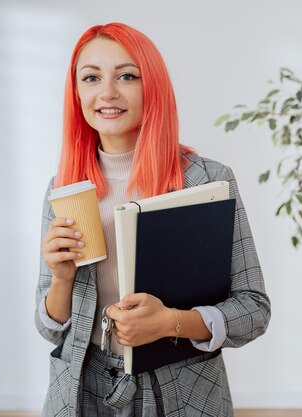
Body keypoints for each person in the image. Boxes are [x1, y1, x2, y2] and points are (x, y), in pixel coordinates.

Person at [35, 22, 270, 417]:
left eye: (127, 76)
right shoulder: (65, 187)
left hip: (183, 393)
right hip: (79, 390)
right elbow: (50, 328)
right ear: (76, 93)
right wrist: (61, 278)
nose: (107, 93)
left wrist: (169, 323)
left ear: (152, 86)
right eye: (91, 77)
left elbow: (253, 310)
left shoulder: (207, 180)